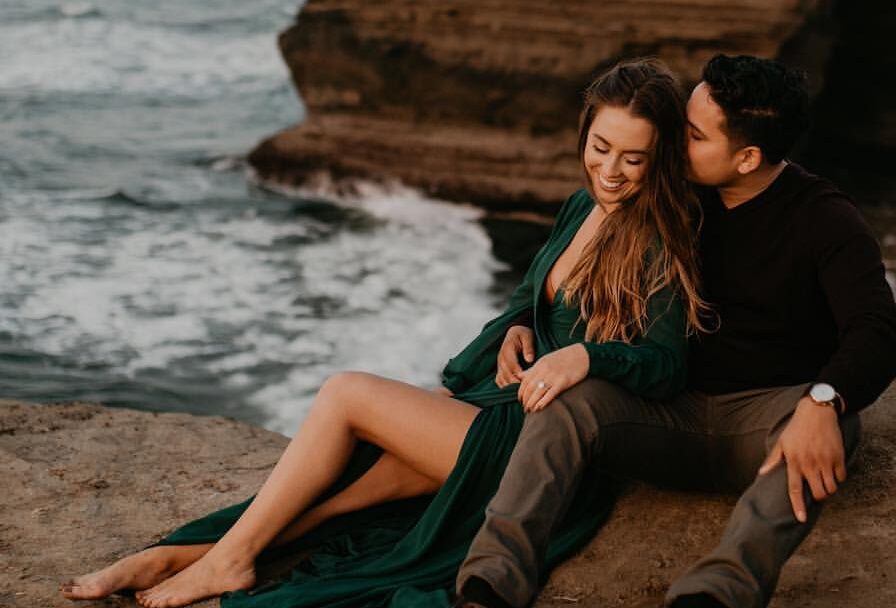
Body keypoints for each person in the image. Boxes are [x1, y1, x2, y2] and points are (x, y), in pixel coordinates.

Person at [60, 58, 709, 608]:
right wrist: (516, 329)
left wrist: (582, 358)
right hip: (506, 405)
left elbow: (664, 364)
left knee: (345, 395)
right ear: (583, 134)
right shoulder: (580, 207)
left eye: (634, 158)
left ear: (660, 158)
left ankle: (226, 562)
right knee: (335, 504)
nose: (613, 171)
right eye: (600, 148)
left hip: (549, 444)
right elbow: (527, 299)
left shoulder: (659, 235)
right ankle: (184, 555)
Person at [455, 54, 896, 608]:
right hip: (665, 412)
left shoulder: (825, 220)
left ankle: (713, 594)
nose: (673, 142)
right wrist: (523, 321)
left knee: (836, 426)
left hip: (765, 416)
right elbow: (571, 263)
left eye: (691, 134)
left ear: (746, 157)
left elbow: (879, 327)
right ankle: (491, 582)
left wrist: (823, 400)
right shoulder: (673, 192)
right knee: (565, 403)